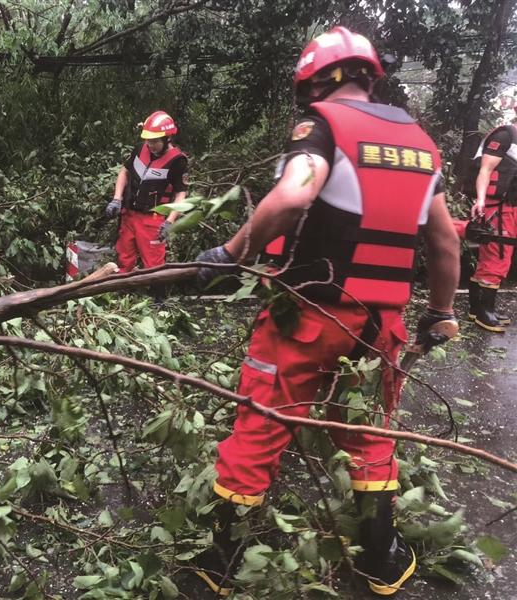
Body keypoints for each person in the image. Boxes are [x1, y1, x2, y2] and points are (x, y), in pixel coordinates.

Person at [193, 27, 460, 596]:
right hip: (380, 322)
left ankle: (220, 558)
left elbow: (293, 196)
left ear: (313, 82)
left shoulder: (321, 126)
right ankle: (381, 559)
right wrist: (439, 313)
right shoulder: (422, 143)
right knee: (367, 430)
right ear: (370, 76)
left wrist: (232, 253)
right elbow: (444, 244)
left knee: (263, 423)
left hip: (308, 314)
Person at [105, 111, 188, 280]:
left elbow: (181, 193)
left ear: (167, 139)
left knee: (154, 264)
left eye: (155, 141)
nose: (150, 145)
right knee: (124, 258)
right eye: (148, 140)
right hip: (129, 214)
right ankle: (120, 292)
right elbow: (124, 171)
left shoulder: (177, 161)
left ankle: (159, 300)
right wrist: (117, 198)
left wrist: (170, 222)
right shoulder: (140, 149)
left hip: (153, 219)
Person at [467, 112, 517, 332]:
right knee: (497, 254)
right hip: (496, 206)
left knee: (497, 255)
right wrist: (479, 200)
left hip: (511, 205)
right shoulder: (506, 135)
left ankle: (477, 308)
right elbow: (485, 170)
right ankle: (484, 311)